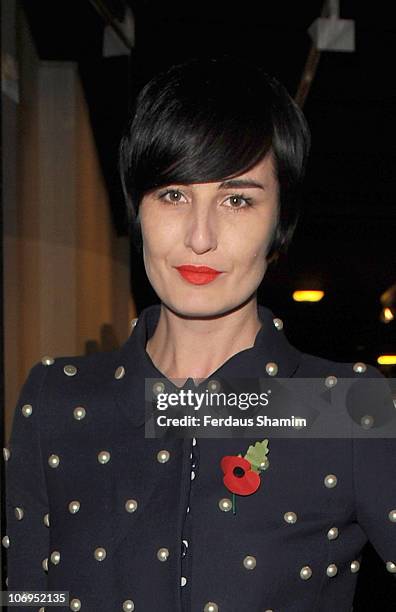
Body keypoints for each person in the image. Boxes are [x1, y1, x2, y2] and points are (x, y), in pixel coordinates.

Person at [3, 56, 396, 612]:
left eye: (237, 199)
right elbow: (22, 597)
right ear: (137, 209)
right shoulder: (56, 401)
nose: (200, 236)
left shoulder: (348, 410)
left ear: (280, 221)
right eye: (173, 194)